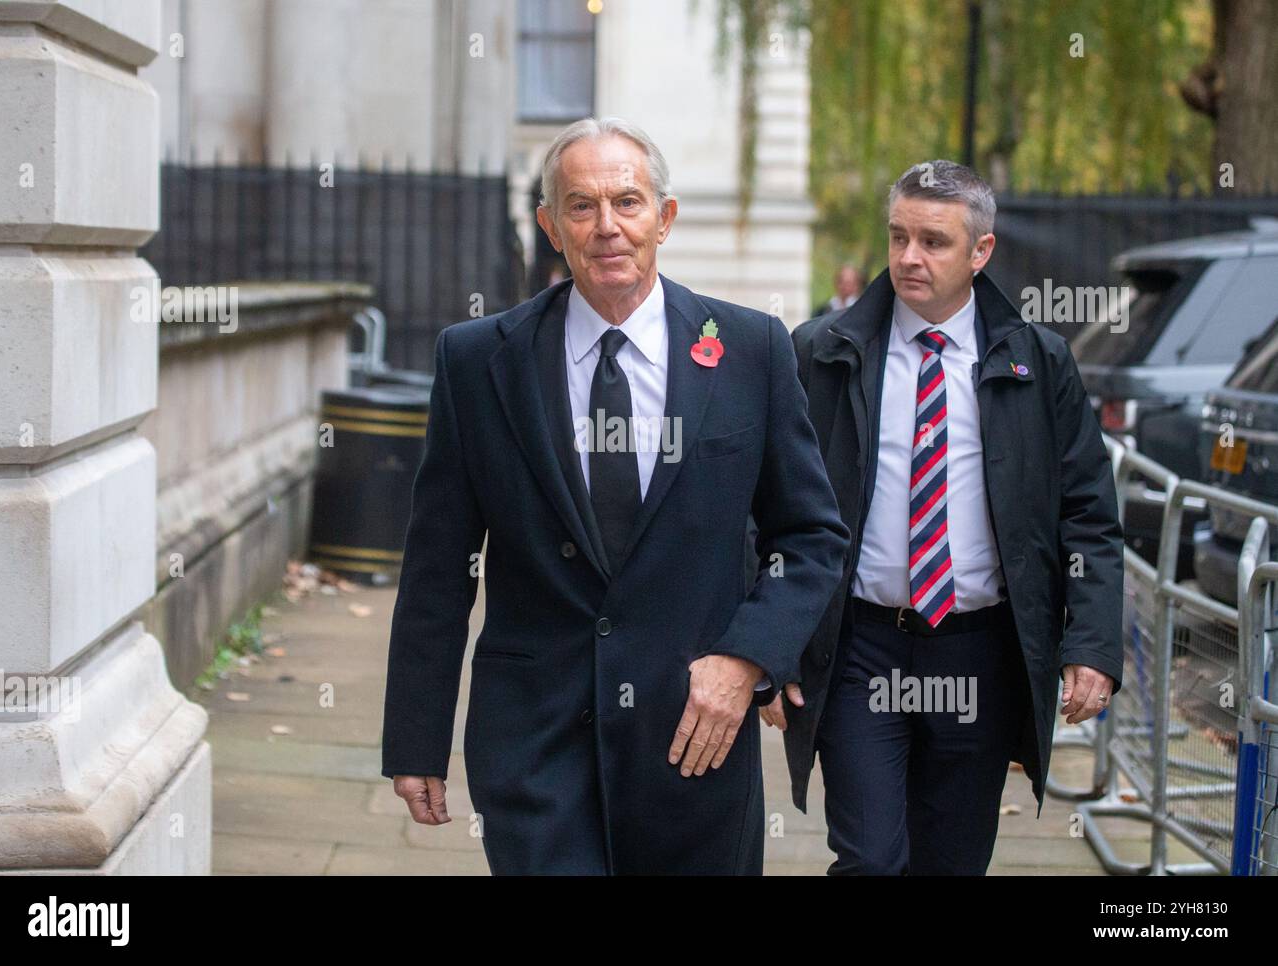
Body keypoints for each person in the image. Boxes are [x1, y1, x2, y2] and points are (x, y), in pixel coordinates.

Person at [381, 117, 848, 875]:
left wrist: (747, 659)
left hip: (695, 740)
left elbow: (811, 537)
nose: (607, 228)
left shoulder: (751, 350)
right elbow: (439, 562)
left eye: (627, 203)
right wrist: (415, 736)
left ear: (663, 218)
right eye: (581, 206)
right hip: (535, 744)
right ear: (548, 226)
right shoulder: (475, 362)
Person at [763, 159, 1123, 875]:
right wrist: (768, 649)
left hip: (980, 654)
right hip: (861, 647)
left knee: (952, 862)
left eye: (933, 241)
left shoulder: (1037, 362)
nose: (908, 258)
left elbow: (1087, 513)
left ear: (980, 251)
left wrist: (1092, 643)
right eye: (898, 237)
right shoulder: (823, 353)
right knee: (869, 859)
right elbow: (766, 507)